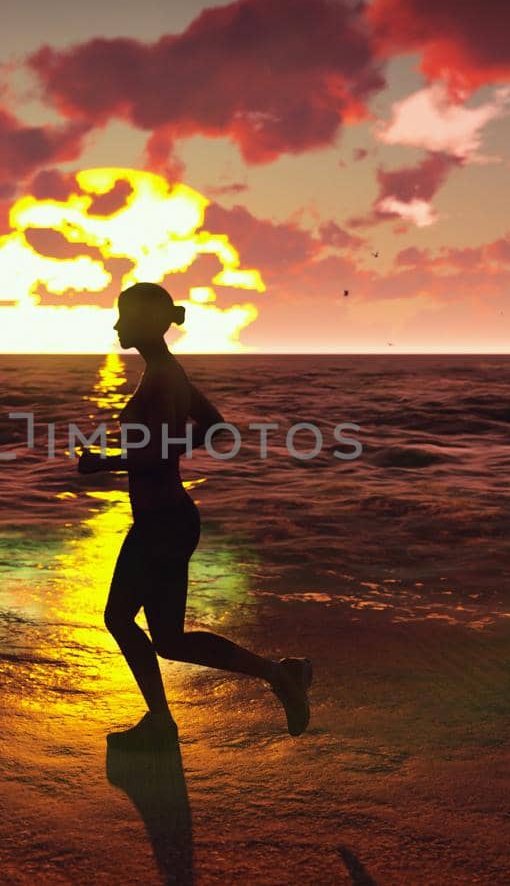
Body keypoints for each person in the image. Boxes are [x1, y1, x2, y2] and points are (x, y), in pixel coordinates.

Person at [77, 282, 312, 751]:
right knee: (167, 639)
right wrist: (152, 453)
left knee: (121, 619)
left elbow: (159, 456)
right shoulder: (167, 373)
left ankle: (164, 721)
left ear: (145, 322)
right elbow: (214, 428)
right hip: (169, 520)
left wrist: (105, 462)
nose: (118, 325)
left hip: (163, 522)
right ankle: (278, 674)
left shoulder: (164, 376)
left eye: (124, 316)